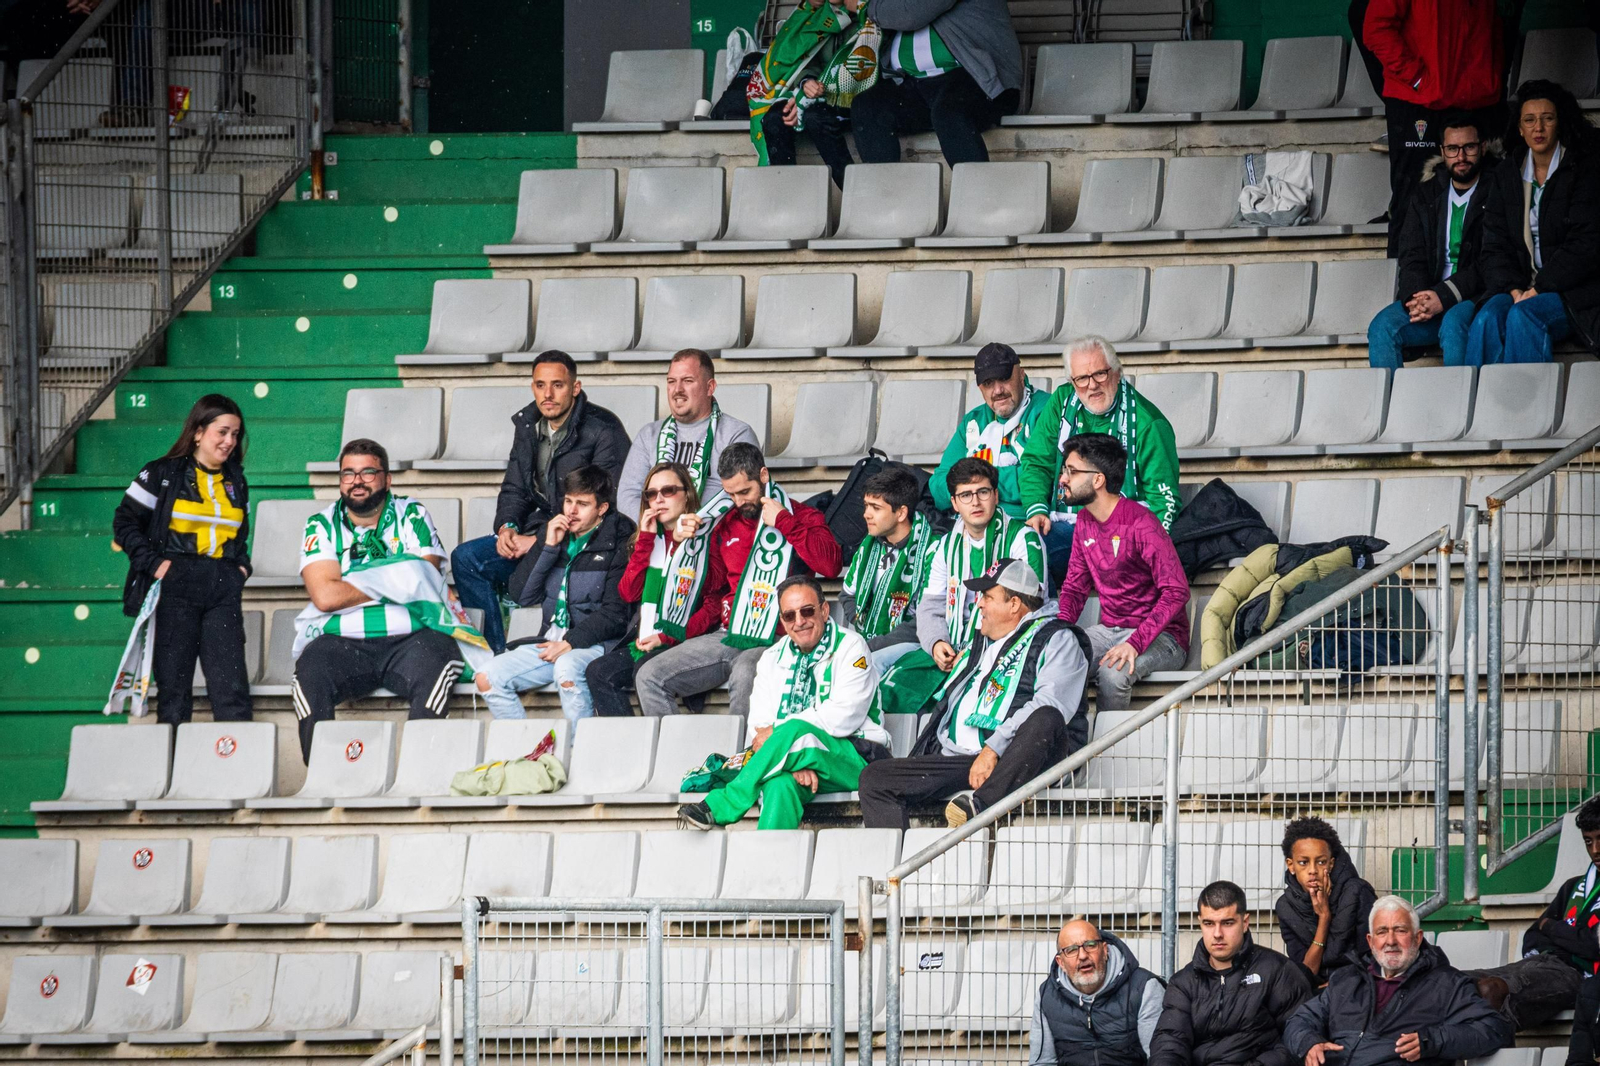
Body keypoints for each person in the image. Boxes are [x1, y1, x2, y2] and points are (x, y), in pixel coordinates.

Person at [858, 557, 1089, 829]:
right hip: (961, 761)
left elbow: (1052, 705)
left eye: (988, 597)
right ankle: (900, 869)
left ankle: (981, 807)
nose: (979, 603)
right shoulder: (978, 646)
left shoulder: (1059, 639)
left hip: (1015, 760)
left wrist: (993, 750)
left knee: (1046, 717)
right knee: (876, 778)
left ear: (1014, 604)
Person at [633, 443, 843, 718]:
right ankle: (678, 757)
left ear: (764, 476)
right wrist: (687, 545)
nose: (739, 501)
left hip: (776, 637)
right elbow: (711, 589)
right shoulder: (724, 520)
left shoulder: (800, 515)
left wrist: (783, 521)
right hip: (728, 633)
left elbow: (831, 565)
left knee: (746, 675)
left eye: (745, 491)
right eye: (730, 494)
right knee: (649, 676)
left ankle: (744, 760)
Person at [676, 575, 891, 830]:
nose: (799, 621)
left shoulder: (852, 647)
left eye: (807, 611)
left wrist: (788, 742)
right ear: (782, 621)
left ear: (824, 610)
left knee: (792, 729)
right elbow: (758, 729)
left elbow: (844, 717)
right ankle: (770, 867)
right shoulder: (771, 658)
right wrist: (794, 761)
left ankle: (722, 804)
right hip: (801, 758)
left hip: (858, 760)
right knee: (779, 786)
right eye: (789, 616)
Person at [451, 350, 630, 653]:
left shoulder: (603, 428)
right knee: (467, 559)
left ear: (575, 387)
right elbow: (514, 486)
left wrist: (537, 539)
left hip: (584, 543)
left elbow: (605, 504)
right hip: (542, 531)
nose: (547, 394)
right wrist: (507, 526)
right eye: (539, 385)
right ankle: (494, 653)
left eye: (558, 385)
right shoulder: (528, 425)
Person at [291, 439, 460, 760]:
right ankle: (323, 776)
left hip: (412, 640)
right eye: (348, 474)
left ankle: (419, 771)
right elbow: (326, 597)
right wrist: (393, 577)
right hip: (345, 642)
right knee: (309, 672)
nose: (356, 481)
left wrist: (351, 583)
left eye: (368, 472)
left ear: (387, 479)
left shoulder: (412, 514)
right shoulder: (320, 524)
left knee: (438, 661)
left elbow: (422, 579)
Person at [112, 394, 253, 726]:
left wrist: (241, 568)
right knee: (174, 692)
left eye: (235, 433)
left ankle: (237, 775)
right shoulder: (161, 472)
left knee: (231, 691)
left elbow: (240, 535)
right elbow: (124, 523)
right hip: (176, 583)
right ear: (198, 432)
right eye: (223, 432)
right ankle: (173, 773)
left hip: (222, 585)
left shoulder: (236, 481)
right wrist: (157, 565)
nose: (230, 441)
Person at [871, 456, 1046, 720]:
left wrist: (977, 649)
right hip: (951, 644)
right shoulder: (945, 547)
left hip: (999, 650)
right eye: (965, 495)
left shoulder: (1022, 538)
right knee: (882, 677)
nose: (975, 502)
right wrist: (937, 643)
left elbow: (1026, 610)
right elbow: (930, 608)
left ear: (996, 495)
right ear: (954, 503)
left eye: (982, 492)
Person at [472, 466, 634, 727]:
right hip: (552, 641)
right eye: (568, 501)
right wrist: (546, 547)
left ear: (602, 509)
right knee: (487, 676)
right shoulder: (554, 532)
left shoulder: (620, 539)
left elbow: (616, 614)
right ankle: (528, 757)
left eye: (582, 504)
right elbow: (522, 595)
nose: (571, 510)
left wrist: (571, 642)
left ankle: (579, 754)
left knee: (566, 669)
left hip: (598, 645)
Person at [1019, 338, 1181, 588]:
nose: (1092, 385)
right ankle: (1045, 625)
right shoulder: (1062, 402)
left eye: (1100, 374)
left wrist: (1145, 551)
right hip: (1067, 526)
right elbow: (1035, 461)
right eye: (1082, 379)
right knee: (1025, 548)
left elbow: (1165, 502)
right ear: (1072, 382)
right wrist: (1037, 509)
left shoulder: (1149, 423)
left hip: (1123, 535)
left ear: (1117, 372)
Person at [1284, 895, 1514, 1066]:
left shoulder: (1447, 984)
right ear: (1371, 941)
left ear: (1417, 937)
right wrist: (1309, 1042)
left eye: (1400, 930)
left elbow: (1494, 1030)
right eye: (1382, 932)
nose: (1390, 941)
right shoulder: (1347, 979)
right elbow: (1299, 1021)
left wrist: (1432, 1041)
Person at [1053, 434, 1190, 712]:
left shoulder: (1141, 523)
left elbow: (1177, 591)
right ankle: (1072, 746)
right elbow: (1075, 588)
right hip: (1109, 630)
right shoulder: (1083, 520)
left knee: (1112, 674)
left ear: (1098, 480)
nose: (1063, 479)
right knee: (1060, 660)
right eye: (1064, 470)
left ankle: (1107, 752)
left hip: (1164, 637)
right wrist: (1060, 631)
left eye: (1072, 471)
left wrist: (1136, 643)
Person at [1467, 80, 1600, 365]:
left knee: (1524, 314)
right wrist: (1515, 289)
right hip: (1521, 286)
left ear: (1559, 123)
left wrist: (1539, 289)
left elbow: (1586, 244)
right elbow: (1494, 246)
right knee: (1486, 318)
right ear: (1519, 128)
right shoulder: (1506, 175)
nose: (1538, 128)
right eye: (1529, 120)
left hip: (1575, 291)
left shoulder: (1583, 168)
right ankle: (1480, 406)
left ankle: (1529, 408)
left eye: (1547, 118)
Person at [1362, 0, 1506, 257]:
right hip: (1418, 100)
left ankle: (1477, 285)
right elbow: (1376, 28)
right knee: (1413, 198)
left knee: (1485, 196)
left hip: (1478, 98)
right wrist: (1417, 78)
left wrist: (1490, 79)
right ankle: (1408, 291)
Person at [1367, 115, 1498, 368]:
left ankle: (1460, 405)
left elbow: (1492, 260)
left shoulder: (1497, 191)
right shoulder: (1426, 195)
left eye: (1469, 147)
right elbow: (1411, 255)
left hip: (1476, 298)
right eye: (1452, 149)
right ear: (1442, 151)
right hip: (1432, 299)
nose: (1460, 157)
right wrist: (1417, 300)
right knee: (1382, 327)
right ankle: (1391, 406)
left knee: (1454, 323)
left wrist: (1444, 296)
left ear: (1482, 148)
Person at [1465, 794, 1600, 1032]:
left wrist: (1550, 927)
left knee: (1491, 991)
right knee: (1455, 982)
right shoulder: (1573, 886)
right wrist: (1569, 938)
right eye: (1588, 842)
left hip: (1578, 976)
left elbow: (1592, 946)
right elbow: (1532, 937)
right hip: (1541, 963)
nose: (1595, 850)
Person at [1149, 881, 1312, 1066]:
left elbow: (1299, 1035)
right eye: (1209, 923)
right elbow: (1170, 1042)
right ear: (1200, 923)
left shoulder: (1277, 970)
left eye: (1227, 923)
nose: (1217, 934)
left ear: (1245, 923)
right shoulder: (1183, 982)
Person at [586, 462, 705, 717]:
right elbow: (628, 594)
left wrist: (667, 637)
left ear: (687, 496)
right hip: (647, 640)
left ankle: (662, 746)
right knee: (598, 672)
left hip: (686, 640)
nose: (659, 499)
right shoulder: (649, 539)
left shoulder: (703, 539)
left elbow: (712, 606)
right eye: (651, 494)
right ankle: (629, 745)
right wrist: (645, 541)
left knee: (644, 670)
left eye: (668, 491)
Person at [847, 0, 1023, 167]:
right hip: (914, 84)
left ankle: (976, 194)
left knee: (949, 111)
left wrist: (863, 5)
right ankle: (886, 195)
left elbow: (910, 14)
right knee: (868, 106)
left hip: (980, 81)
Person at [613, 349, 759, 522]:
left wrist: (692, 528)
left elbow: (743, 496)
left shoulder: (736, 434)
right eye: (671, 381)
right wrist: (663, 531)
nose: (677, 390)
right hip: (656, 539)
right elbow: (627, 496)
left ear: (710, 387)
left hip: (712, 538)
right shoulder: (649, 435)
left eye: (688, 381)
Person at [931, 342, 1052, 520]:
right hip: (973, 527)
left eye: (1004, 379)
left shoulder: (1047, 410)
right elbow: (938, 487)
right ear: (980, 388)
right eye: (988, 383)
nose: (998, 390)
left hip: (1028, 523)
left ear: (1021, 375)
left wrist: (971, 486)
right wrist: (999, 481)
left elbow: (1043, 479)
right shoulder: (974, 420)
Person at [1027, 920, 1165, 1066]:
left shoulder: (1144, 987)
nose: (1082, 956)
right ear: (1061, 963)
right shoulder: (1047, 996)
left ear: (1105, 950)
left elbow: (1161, 1058)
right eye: (1072, 950)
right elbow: (1042, 1062)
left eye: (1090, 945)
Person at [755, 0, 862, 189]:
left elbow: (864, 71)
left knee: (815, 117)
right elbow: (806, 62)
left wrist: (807, 99)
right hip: (817, 94)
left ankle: (854, 194)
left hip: (856, 96)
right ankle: (789, 202)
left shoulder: (872, 15)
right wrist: (806, 83)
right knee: (775, 117)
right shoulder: (821, 16)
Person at [839, 466, 935, 670]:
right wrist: (861, 619)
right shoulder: (868, 546)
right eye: (866, 506)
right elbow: (848, 595)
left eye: (876, 507)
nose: (866, 514)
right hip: (869, 642)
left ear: (901, 513)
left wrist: (871, 645)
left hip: (917, 644)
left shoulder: (932, 548)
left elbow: (925, 618)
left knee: (867, 665)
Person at [1274, 817, 1378, 987]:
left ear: (1331, 864)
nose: (1313, 871)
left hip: (1357, 988)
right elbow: (1306, 971)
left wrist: (1339, 984)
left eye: (1321, 862)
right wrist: (1324, 917)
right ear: (1291, 865)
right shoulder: (1286, 906)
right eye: (1303, 863)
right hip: (1314, 992)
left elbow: (1374, 959)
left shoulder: (1357, 892)